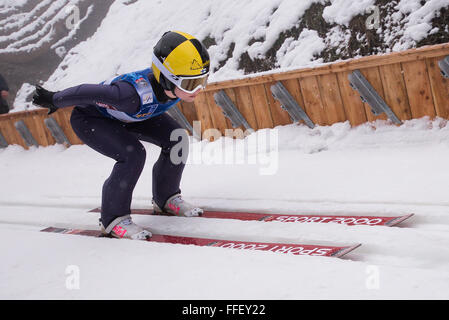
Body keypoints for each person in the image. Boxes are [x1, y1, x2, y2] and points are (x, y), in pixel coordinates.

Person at [32, 31, 210, 240]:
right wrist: (54, 98)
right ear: (167, 79)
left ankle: (166, 197)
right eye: (190, 84)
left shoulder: (174, 88)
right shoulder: (130, 95)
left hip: (134, 116)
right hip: (93, 119)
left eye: (203, 80)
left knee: (177, 138)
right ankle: (113, 220)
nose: (198, 89)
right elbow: (89, 92)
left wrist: (188, 83)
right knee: (132, 154)